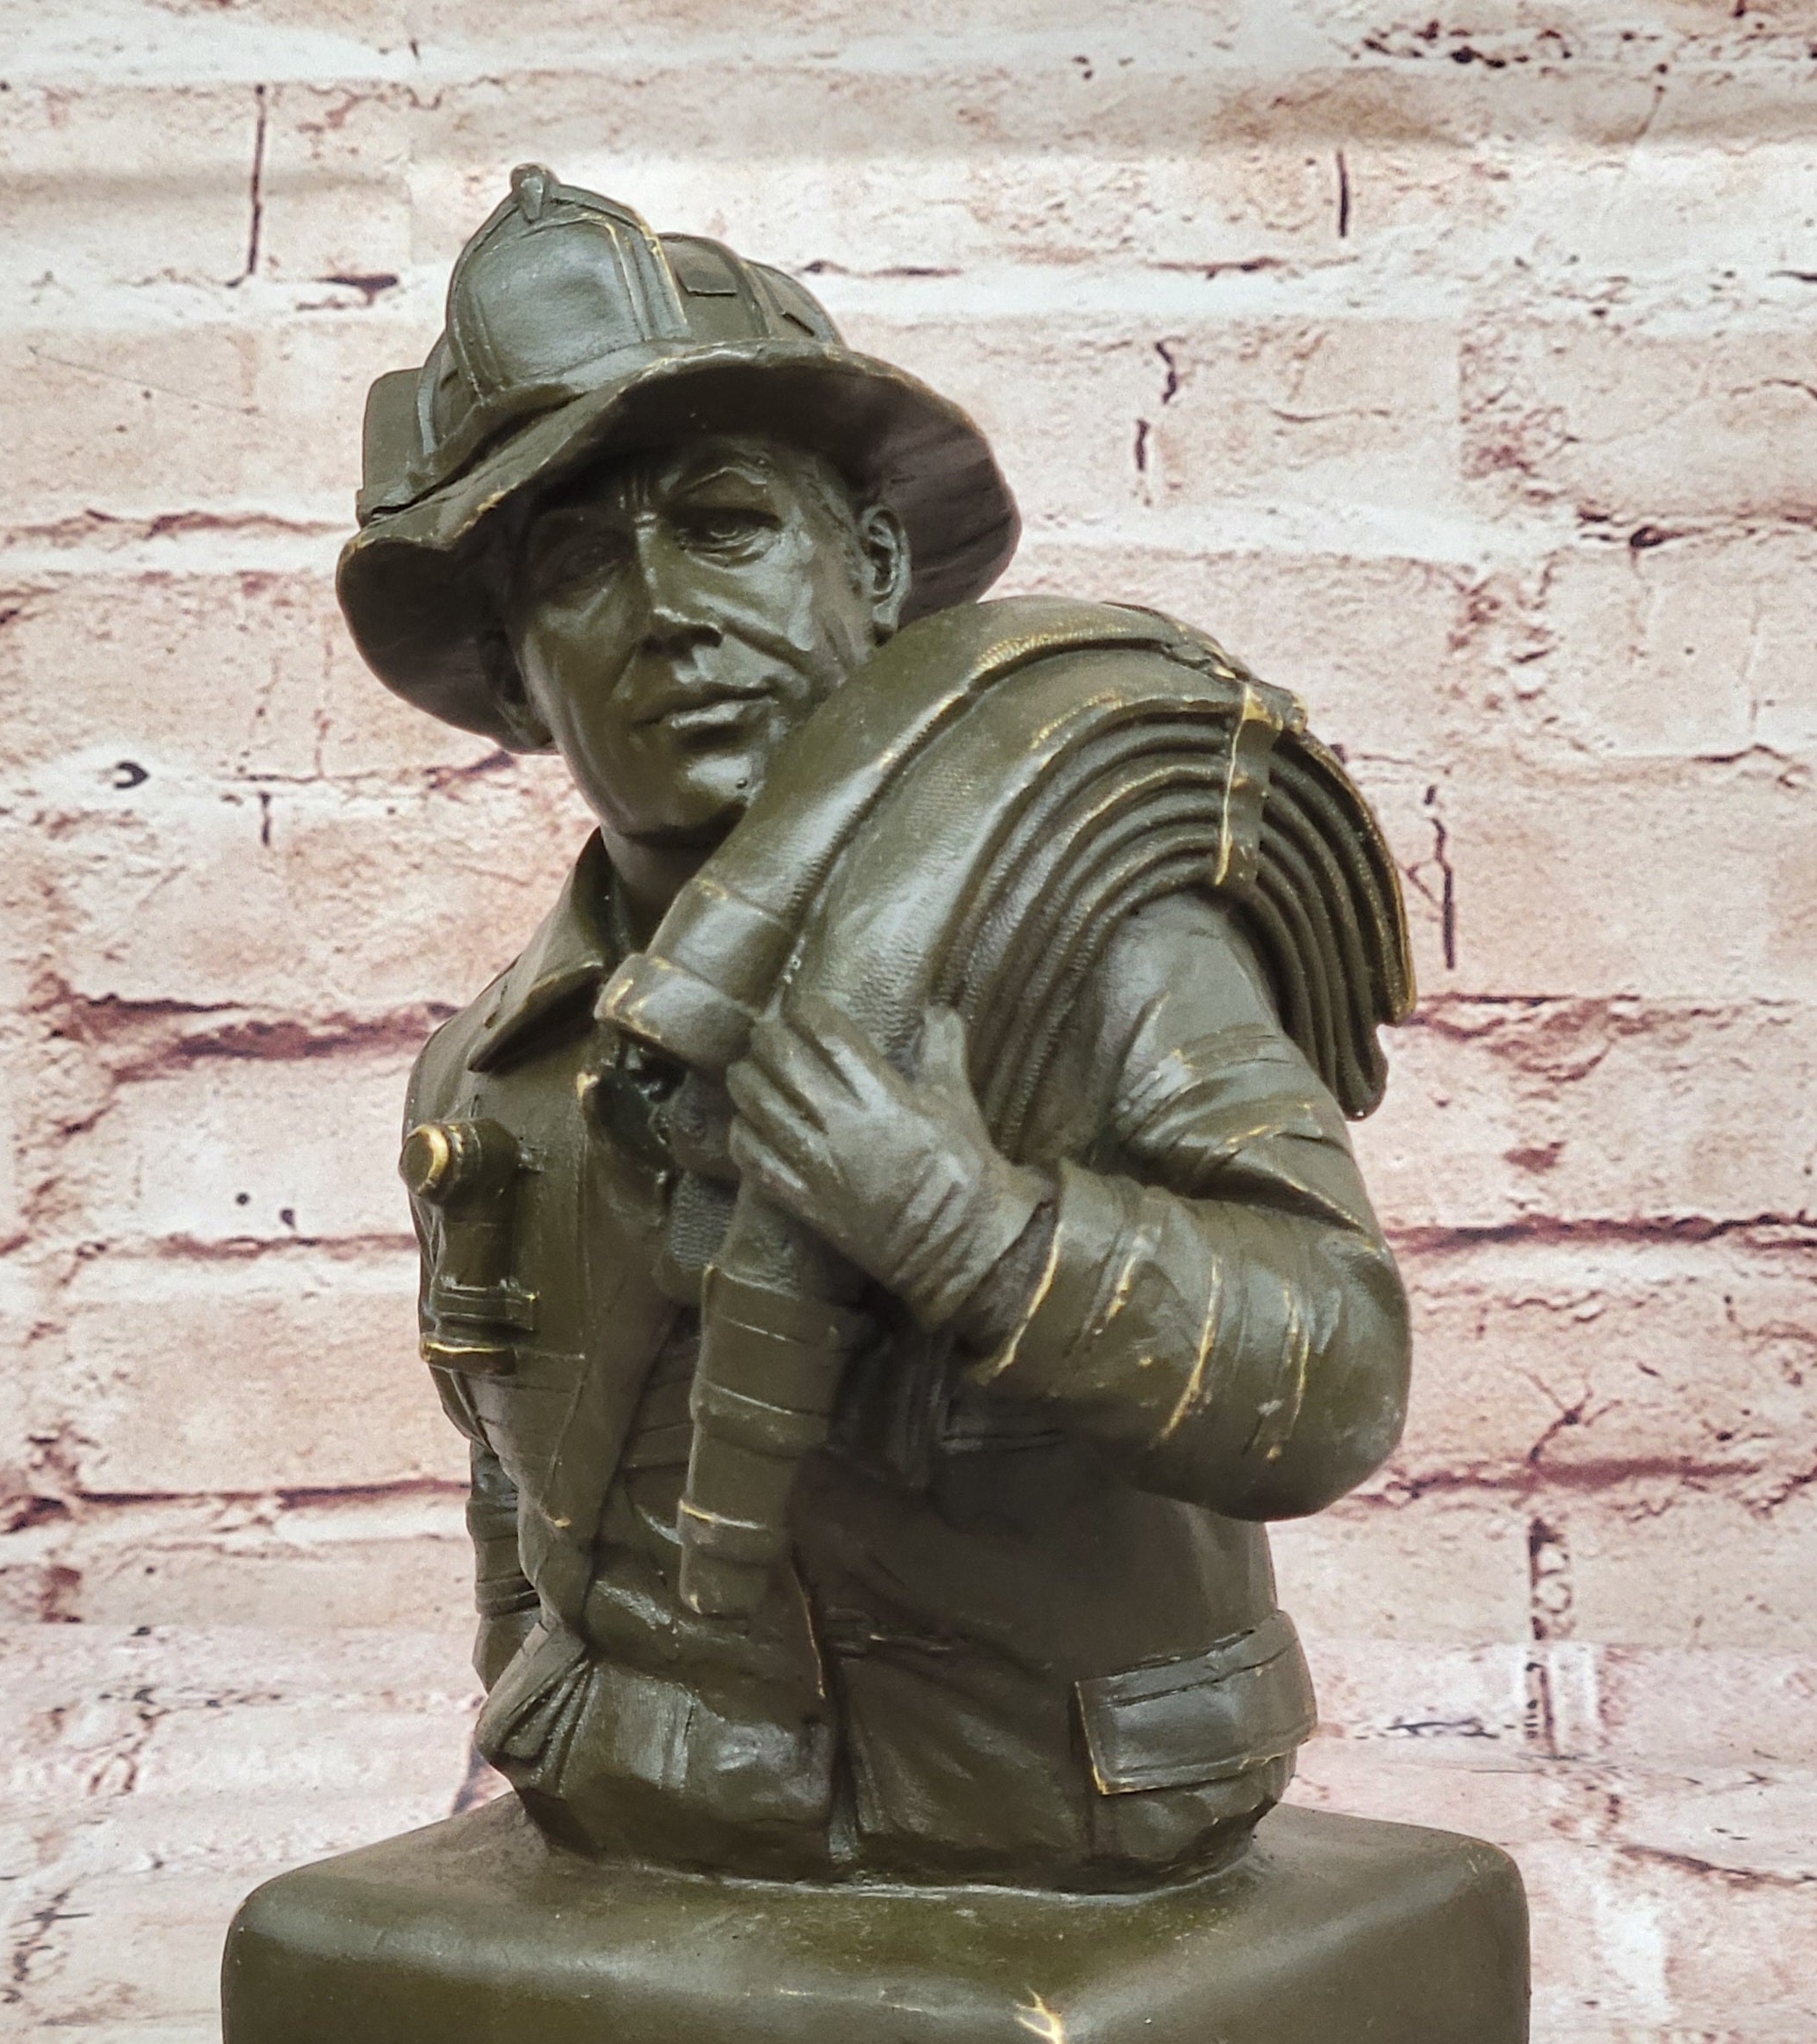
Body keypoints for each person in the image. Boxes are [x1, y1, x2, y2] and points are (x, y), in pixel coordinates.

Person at [339, 166, 1413, 1892]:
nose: (666, 609)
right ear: (514, 672)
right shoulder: (488, 1076)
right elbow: (510, 1503)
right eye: (579, 567)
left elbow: (1335, 1374)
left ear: (876, 563)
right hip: (641, 1817)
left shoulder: (1082, 943)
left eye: (725, 525)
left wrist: (963, 1223)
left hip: (1047, 1815)